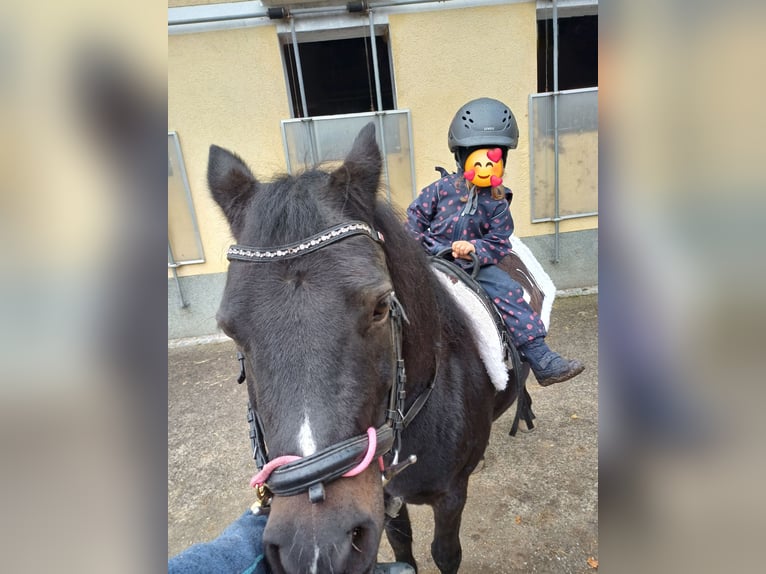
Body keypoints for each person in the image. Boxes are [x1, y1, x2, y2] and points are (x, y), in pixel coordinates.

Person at [406, 97, 584, 386]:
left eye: (494, 158)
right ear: (461, 157)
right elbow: (414, 221)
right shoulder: (439, 190)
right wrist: (432, 247)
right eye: (478, 158)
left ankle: (540, 356)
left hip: (476, 265)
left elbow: (500, 241)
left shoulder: (499, 200)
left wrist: (476, 248)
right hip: (432, 259)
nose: (486, 166)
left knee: (509, 292)